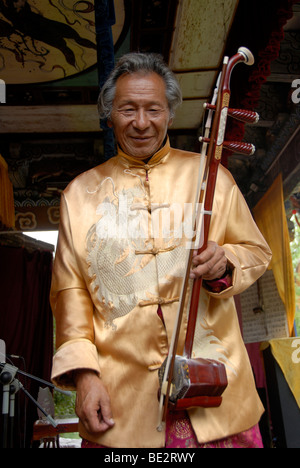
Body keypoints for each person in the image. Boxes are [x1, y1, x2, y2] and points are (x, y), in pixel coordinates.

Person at [50, 52, 272, 448]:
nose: (140, 122)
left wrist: (226, 261)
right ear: (109, 114)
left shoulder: (212, 178)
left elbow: (255, 251)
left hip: (215, 389)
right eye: (127, 109)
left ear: (170, 113)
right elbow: (71, 294)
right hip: (123, 401)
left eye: (153, 109)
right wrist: (84, 376)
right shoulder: (79, 196)